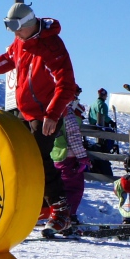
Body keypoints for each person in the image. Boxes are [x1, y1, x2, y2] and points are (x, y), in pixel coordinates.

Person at [0, 2, 77, 230]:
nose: (15, 33)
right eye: (10, 28)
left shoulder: (51, 46)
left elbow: (66, 85)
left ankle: (61, 210)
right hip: (23, 111)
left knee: (38, 160)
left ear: (29, 23)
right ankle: (37, 206)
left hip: (45, 114)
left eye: (17, 28)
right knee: (14, 156)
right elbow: (8, 58)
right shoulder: (21, 41)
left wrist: (53, 115)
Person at [49, 86, 91, 233]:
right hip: (69, 156)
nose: (77, 97)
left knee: (60, 186)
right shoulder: (68, 113)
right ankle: (68, 216)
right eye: (75, 93)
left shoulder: (53, 110)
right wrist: (83, 157)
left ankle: (59, 216)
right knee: (73, 188)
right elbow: (73, 136)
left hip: (57, 156)